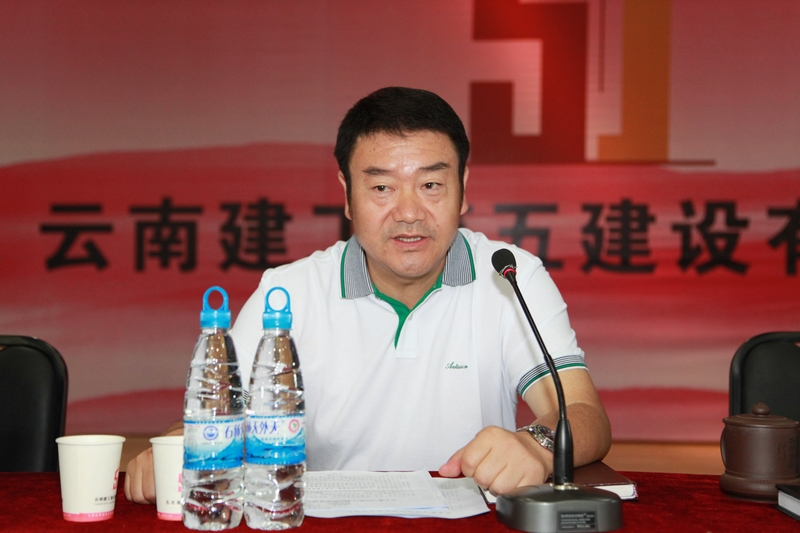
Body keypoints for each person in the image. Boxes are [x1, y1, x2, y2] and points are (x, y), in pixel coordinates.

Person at [125, 86, 611, 504]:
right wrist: (175, 446)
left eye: (431, 184)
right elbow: (214, 420)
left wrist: (535, 445)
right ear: (347, 194)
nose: (409, 212)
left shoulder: (509, 277)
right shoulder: (288, 292)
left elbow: (585, 416)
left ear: (463, 188)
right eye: (382, 187)